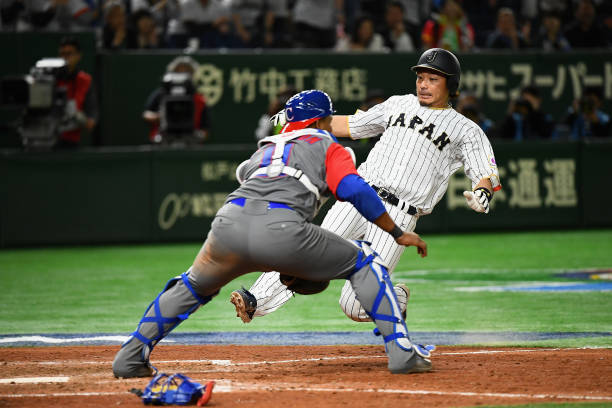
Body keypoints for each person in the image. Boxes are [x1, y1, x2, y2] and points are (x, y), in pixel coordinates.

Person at [112, 89, 433, 378]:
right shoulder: (326, 145)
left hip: (226, 227)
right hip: (282, 229)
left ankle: (129, 358)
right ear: (323, 121)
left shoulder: (262, 151)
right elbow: (353, 188)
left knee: (192, 286)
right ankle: (402, 353)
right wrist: (394, 231)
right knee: (364, 262)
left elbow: (247, 179)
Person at [230, 48, 501, 328]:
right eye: (421, 77)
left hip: (400, 213)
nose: (423, 84)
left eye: (433, 79)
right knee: (309, 248)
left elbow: (484, 171)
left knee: (354, 306)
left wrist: (482, 191)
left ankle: (394, 298)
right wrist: (297, 120)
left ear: (450, 84)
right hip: (361, 194)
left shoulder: (466, 129)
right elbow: (351, 125)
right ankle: (256, 300)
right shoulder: (399, 104)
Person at [143, 55, 210, 144]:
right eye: (179, 70)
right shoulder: (161, 94)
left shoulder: (199, 99)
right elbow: (146, 114)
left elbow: (205, 128)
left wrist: (197, 139)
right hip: (163, 141)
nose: (183, 74)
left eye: (187, 71)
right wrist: (162, 117)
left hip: (190, 143)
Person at [55, 36, 98, 148]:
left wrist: (82, 119)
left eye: (69, 54)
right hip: (49, 138)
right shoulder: (49, 78)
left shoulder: (85, 80)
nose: (66, 58)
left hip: (72, 140)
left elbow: (92, 116)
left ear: (78, 55)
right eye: (62, 54)